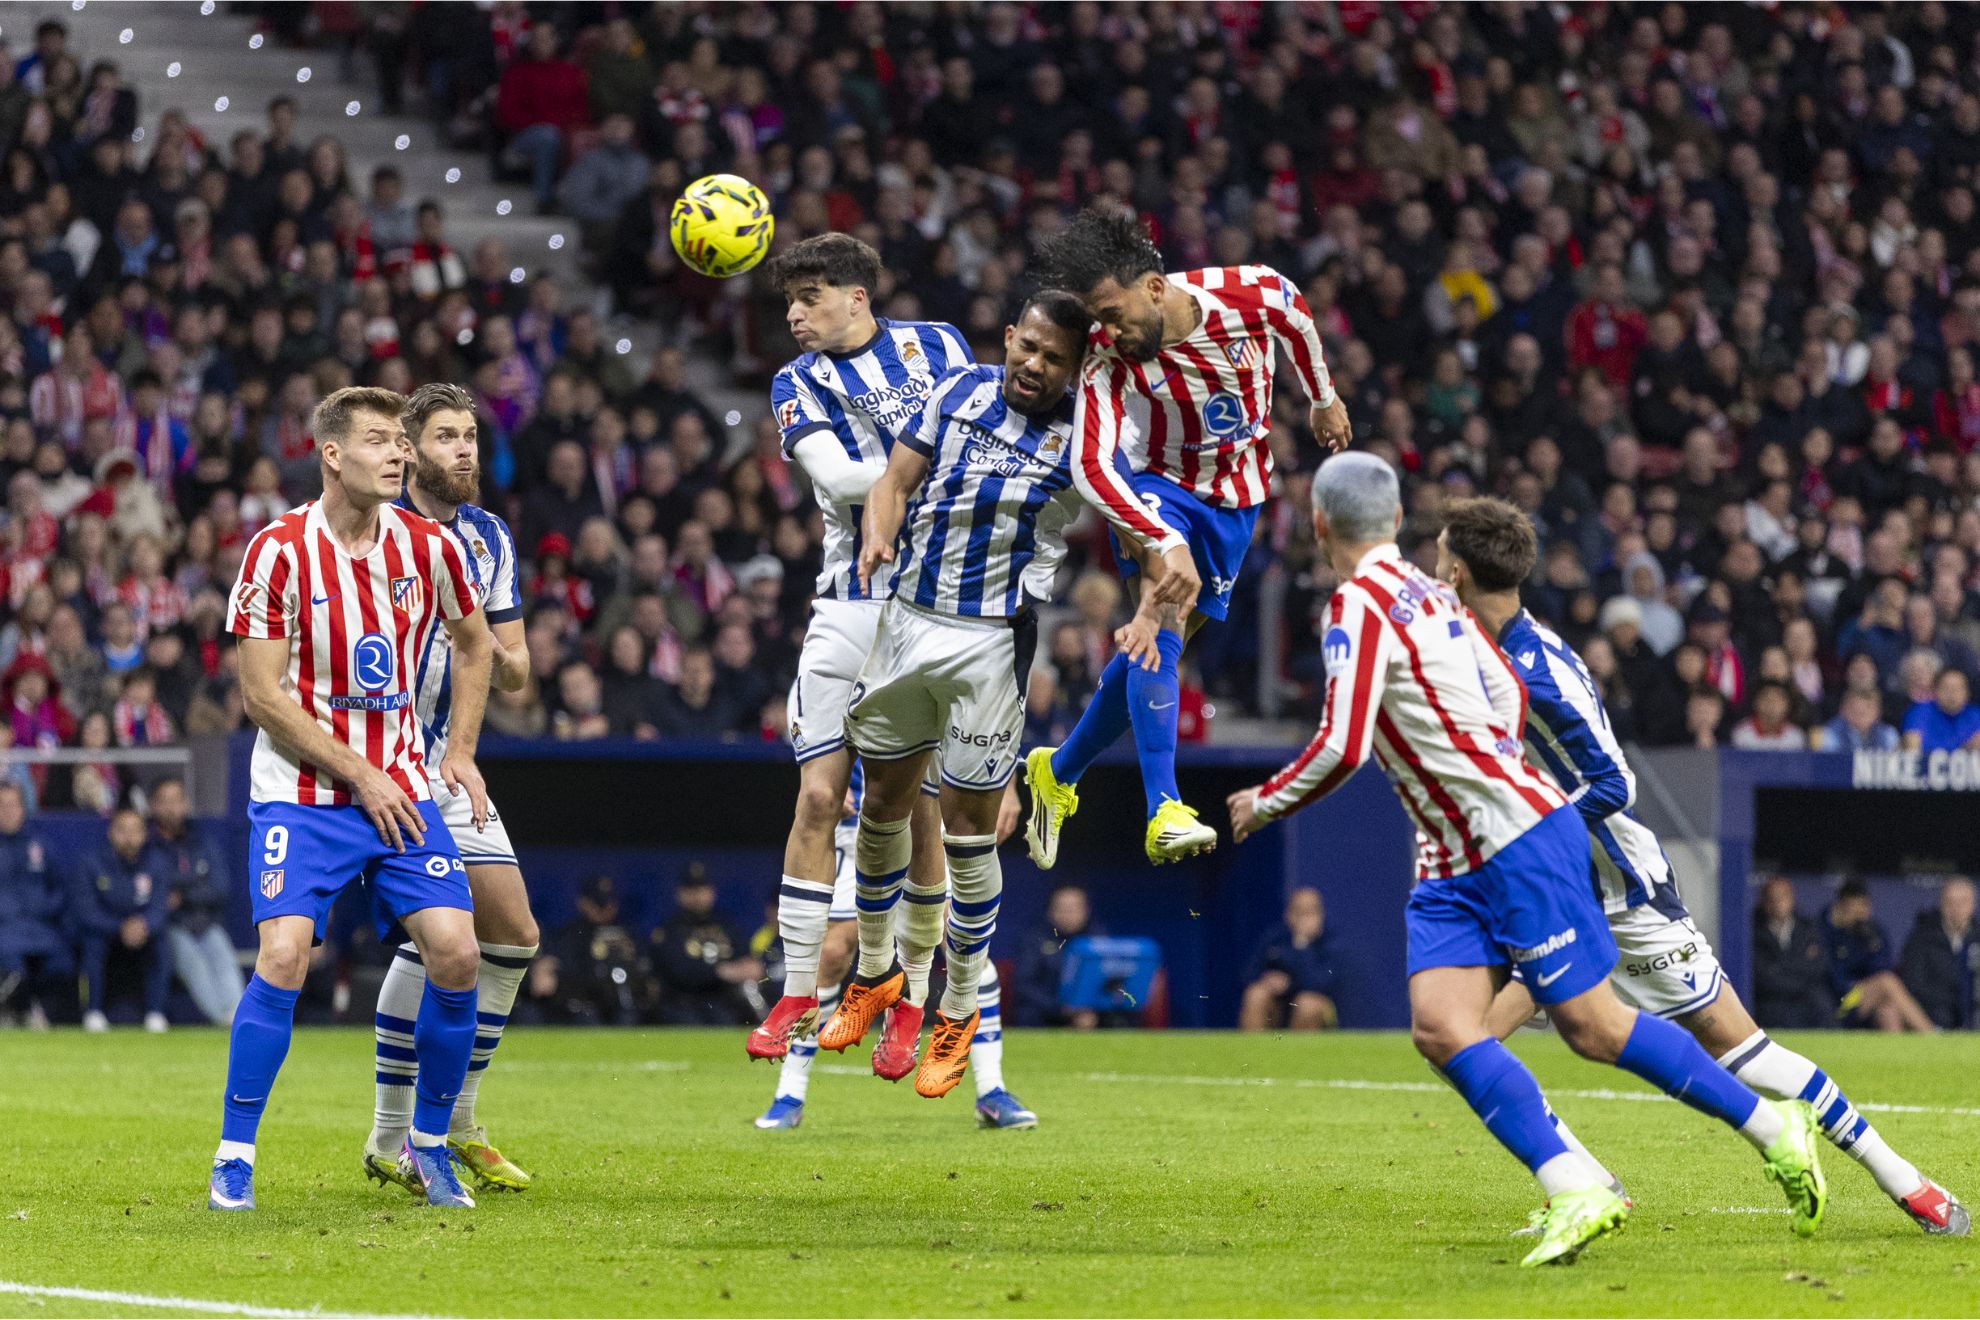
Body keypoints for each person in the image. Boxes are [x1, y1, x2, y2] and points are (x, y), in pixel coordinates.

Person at [1226, 454, 1825, 1268]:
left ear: (1320, 525)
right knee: (1441, 1029)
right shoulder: (1436, 597)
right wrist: (1485, 755)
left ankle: (1770, 1124)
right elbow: (1504, 692)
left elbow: (1340, 745)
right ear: (1399, 521)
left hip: (1511, 836)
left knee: (1592, 1027)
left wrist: (1262, 803)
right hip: (1452, 853)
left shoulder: (1357, 607)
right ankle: (1576, 1182)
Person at [1439, 496, 1964, 1236]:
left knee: (1740, 1048)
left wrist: (1527, 828)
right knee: (1472, 1039)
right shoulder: (1480, 649)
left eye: (1437, 555)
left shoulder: (1539, 670)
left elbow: (1614, 783)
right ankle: (1585, 1184)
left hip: (1619, 890)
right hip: (1549, 883)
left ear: (1458, 570)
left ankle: (1906, 1180)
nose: (1432, 568)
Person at [211, 386, 495, 1213]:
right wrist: (356, 773)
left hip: (400, 789)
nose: (399, 454)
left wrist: (460, 749)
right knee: (284, 956)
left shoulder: (430, 547)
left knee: (459, 952)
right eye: (379, 441)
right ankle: (234, 1156)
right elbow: (261, 696)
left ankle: (429, 1147)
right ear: (332, 454)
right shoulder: (277, 552)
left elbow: (475, 647)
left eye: (400, 442)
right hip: (304, 796)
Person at [818, 293, 1089, 1111]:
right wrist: (878, 529)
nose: (1035, 366)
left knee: (969, 837)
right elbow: (894, 482)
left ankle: (959, 1006)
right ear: (1009, 339)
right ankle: (875, 972)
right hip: (905, 624)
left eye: (1055, 359)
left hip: (990, 643)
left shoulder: (1087, 440)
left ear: (1077, 370)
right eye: (1029, 347)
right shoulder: (957, 391)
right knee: (882, 810)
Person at [1024, 207, 1350, 867]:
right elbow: (1091, 464)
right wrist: (1158, 538)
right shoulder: (1108, 358)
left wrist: (1321, 396)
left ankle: (1057, 773)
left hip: (1236, 498)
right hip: (1158, 487)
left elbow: (1293, 312)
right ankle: (1164, 807)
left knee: (1161, 643)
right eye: (1096, 318)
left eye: (1112, 311)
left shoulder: (1245, 293)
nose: (1106, 330)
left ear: (1153, 287)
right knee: (1163, 611)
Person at [743, 234, 964, 1083]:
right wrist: (941, 469)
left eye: (809, 297)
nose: (795, 315)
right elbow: (838, 481)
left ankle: (908, 1000)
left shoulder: (938, 346)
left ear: (857, 296)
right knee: (818, 797)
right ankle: (801, 990)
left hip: (934, 612)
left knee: (918, 812)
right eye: (789, 302)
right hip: (847, 604)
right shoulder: (796, 382)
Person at [364, 383, 541, 1197]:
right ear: (407, 448)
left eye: (469, 436)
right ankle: (398, 1135)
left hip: (448, 760)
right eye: (445, 437)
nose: (464, 450)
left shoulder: (488, 535)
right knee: (447, 942)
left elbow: (516, 663)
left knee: (512, 934)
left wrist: (498, 654)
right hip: (375, 759)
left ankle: (457, 1119)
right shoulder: (370, 530)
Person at [149, 777, 243, 1026]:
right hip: (171, 925)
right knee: (194, 962)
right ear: (153, 806)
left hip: (204, 921)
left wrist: (183, 893)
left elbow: (220, 889)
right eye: (164, 801)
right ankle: (224, 1019)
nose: (171, 808)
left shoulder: (202, 842)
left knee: (222, 954)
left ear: (186, 804)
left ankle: (238, 1014)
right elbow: (157, 892)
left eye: (176, 801)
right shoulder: (149, 846)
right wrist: (193, 881)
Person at [75, 806, 171, 1034]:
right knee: (92, 944)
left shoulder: (156, 863)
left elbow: (160, 907)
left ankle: (156, 1013)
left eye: (135, 831)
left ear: (144, 834)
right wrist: (120, 927)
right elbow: (86, 910)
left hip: (142, 932)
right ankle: (93, 1012)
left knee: (162, 944)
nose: (129, 838)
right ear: (110, 832)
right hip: (106, 931)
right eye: (122, 830)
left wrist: (144, 925)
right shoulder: (92, 862)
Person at [1822, 879, 1937, 1033]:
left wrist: (1866, 940)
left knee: (1888, 1010)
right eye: (1852, 910)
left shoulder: (1872, 932)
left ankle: (1898, 1056)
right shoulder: (1824, 932)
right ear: (1840, 908)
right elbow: (1831, 977)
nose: (1858, 915)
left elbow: (1883, 966)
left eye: (1862, 908)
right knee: (1886, 982)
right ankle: (1932, 1036)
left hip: (1867, 998)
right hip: (1841, 1003)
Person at [651, 865, 759, 1026]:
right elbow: (679, 972)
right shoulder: (670, 928)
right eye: (691, 890)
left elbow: (749, 962)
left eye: (702, 888)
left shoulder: (726, 924)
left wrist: (743, 969)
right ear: (680, 893)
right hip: (683, 1003)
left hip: (724, 1001)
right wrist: (721, 972)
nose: (697, 895)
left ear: (711, 891)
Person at [0, 780, 66, 1027]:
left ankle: (26, 1010)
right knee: (13, 965)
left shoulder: (39, 844)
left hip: (40, 927)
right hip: (5, 930)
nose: (7, 811)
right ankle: (20, 1010)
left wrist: (47, 908)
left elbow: (58, 886)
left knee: (60, 960)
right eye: (1, 805)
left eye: (13, 805)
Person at [1239, 887, 1339, 1032]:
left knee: (1308, 1004)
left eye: (1312, 912)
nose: (1306, 918)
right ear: (1289, 915)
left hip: (1307, 1006)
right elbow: (1248, 974)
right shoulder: (1275, 938)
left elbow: (1321, 984)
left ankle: (1298, 1054)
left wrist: (1302, 945)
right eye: (1300, 912)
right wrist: (1268, 980)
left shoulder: (1331, 943)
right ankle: (1254, 1053)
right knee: (1255, 995)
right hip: (1276, 1006)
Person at [1751, 877, 1837, 1029]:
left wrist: (1781, 968)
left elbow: (1817, 967)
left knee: (1823, 1005)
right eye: (1772, 899)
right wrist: (1796, 968)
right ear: (1764, 901)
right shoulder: (1752, 930)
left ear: (1791, 898)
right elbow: (1763, 976)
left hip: (1807, 1000)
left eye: (1782, 897)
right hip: (1773, 1002)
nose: (1777, 904)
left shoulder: (1808, 928)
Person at [1014, 883, 1098, 1029]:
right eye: (1063, 909)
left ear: (1086, 911)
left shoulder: (1098, 939)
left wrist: (1088, 1010)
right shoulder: (1034, 939)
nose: (1069, 914)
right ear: (1051, 911)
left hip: (1090, 1015)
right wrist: (1062, 1009)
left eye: (1074, 909)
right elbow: (1024, 986)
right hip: (1044, 1016)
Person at [1900, 877, 1978, 1030]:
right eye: (1950, 902)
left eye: (1963, 902)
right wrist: (1949, 1001)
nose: (1956, 909)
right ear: (1941, 904)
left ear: (1972, 905)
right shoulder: (1921, 937)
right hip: (1930, 1016)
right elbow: (1913, 985)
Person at [1902, 667, 1980, 752]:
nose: (1952, 694)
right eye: (1946, 688)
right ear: (1935, 690)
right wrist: (1965, 749)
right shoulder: (1919, 713)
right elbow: (1912, 748)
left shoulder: (1976, 715)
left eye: (1957, 689)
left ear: (1967, 693)